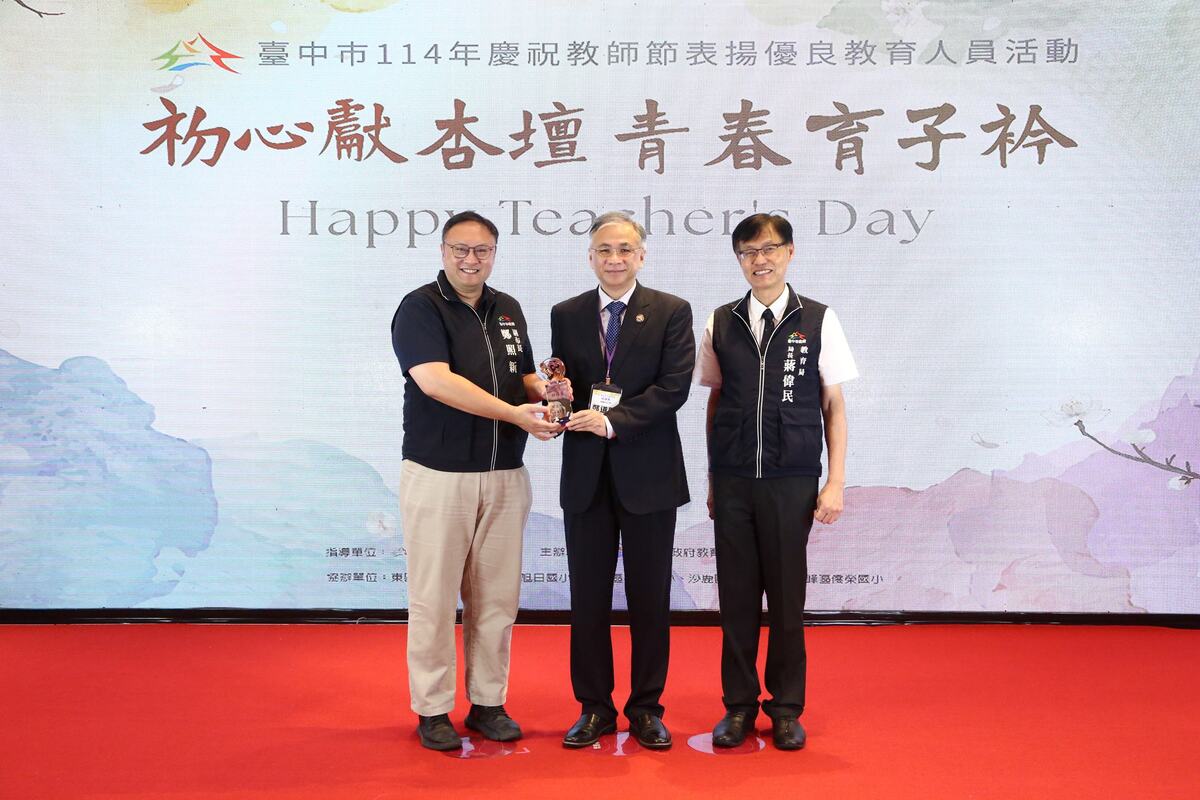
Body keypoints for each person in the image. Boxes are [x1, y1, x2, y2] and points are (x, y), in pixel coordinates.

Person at [391, 210, 564, 751]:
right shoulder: (419, 308)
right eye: (461, 250)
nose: (472, 260)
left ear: (494, 253)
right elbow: (436, 382)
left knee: (496, 599)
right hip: (440, 476)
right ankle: (434, 709)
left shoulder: (506, 309)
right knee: (435, 599)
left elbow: (524, 375)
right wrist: (514, 415)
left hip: (505, 475)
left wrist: (549, 394)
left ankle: (488, 703)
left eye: (482, 251)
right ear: (443, 251)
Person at [694, 213, 858, 751]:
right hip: (737, 480)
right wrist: (715, 479)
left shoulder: (818, 319)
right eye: (748, 251)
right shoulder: (720, 321)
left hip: (792, 480)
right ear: (738, 259)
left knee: (787, 600)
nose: (759, 260)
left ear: (790, 253)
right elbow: (716, 402)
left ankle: (786, 708)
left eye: (769, 249)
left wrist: (834, 482)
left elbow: (833, 406)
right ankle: (738, 708)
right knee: (736, 599)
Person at [550, 211, 694, 750]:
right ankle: (594, 708)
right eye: (605, 250)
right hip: (585, 475)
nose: (615, 259)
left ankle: (646, 709)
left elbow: (672, 389)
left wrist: (612, 421)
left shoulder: (670, 311)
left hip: (649, 474)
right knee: (586, 598)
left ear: (642, 255)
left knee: (649, 599)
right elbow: (565, 383)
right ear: (591, 257)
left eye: (626, 250)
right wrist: (557, 407)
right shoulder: (565, 313)